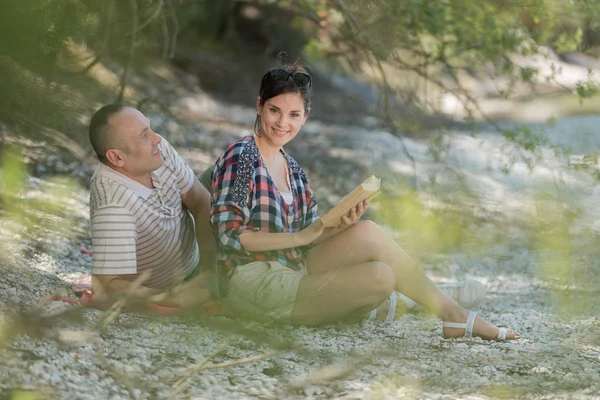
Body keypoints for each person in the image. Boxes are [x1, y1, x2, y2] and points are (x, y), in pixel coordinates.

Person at [210, 65, 517, 341]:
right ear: (259, 106)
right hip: (253, 281)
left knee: (367, 230)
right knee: (381, 277)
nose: (282, 123)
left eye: (294, 115)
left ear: (305, 117)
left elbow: (308, 240)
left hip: (293, 269)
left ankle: (448, 313)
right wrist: (303, 236)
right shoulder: (243, 157)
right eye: (274, 110)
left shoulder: (292, 169)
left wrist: (339, 225)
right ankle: (422, 306)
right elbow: (231, 234)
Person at [88, 105, 217, 308]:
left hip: (198, 258)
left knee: (239, 165)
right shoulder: (113, 206)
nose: (157, 138)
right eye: (143, 136)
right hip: (173, 284)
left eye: (150, 128)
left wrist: (209, 273)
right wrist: (172, 298)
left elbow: (201, 201)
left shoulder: (157, 150)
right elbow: (105, 285)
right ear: (117, 157)